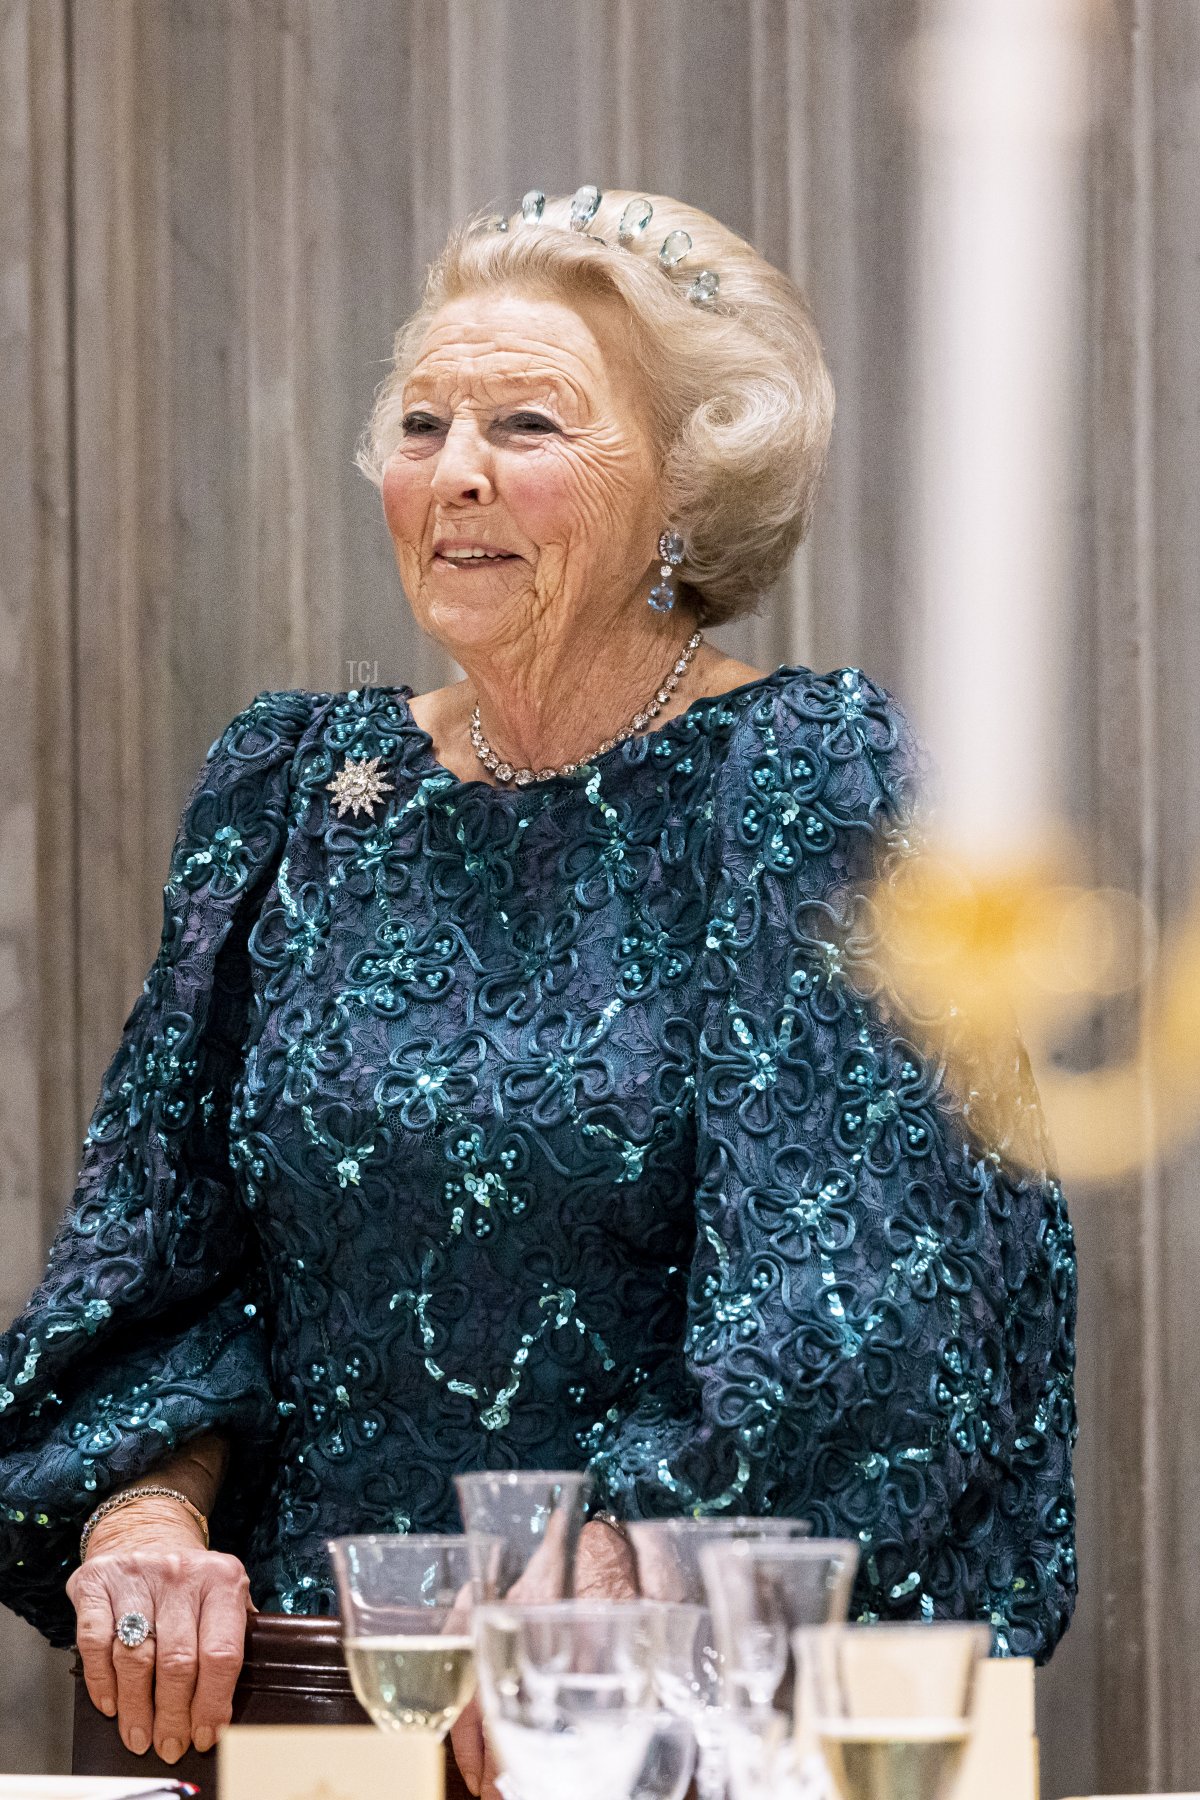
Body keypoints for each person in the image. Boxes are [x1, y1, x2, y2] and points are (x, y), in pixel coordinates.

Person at [0, 188, 1076, 1789]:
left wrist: (609, 1596)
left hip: (660, 1722)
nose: (458, 473)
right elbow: (159, 1257)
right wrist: (149, 1520)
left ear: (686, 496)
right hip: (312, 1736)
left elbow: (874, 1299)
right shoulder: (290, 784)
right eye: (423, 423)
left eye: (527, 423)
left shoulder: (800, 781)